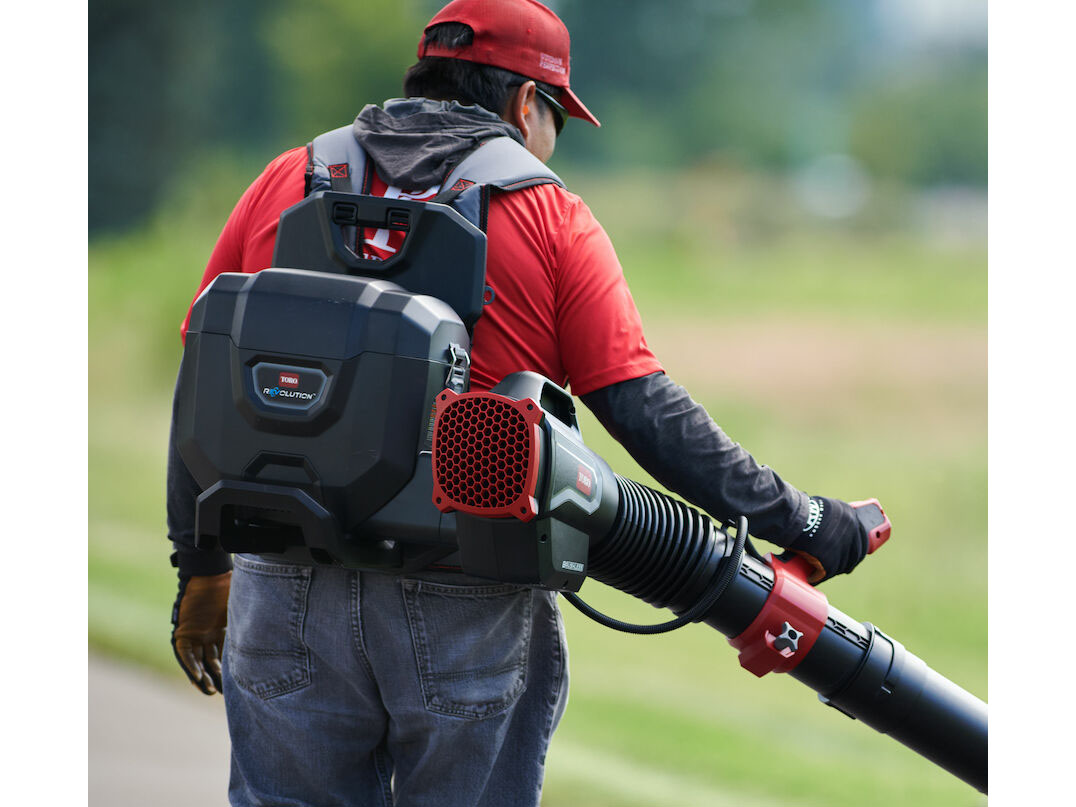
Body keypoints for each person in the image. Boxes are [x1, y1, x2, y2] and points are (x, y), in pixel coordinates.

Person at [167, 1, 874, 805]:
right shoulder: (550, 216)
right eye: (555, 119)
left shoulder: (286, 180)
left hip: (283, 588)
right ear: (523, 104)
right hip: (467, 594)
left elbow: (205, 382)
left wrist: (201, 567)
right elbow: (644, 411)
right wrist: (807, 522)